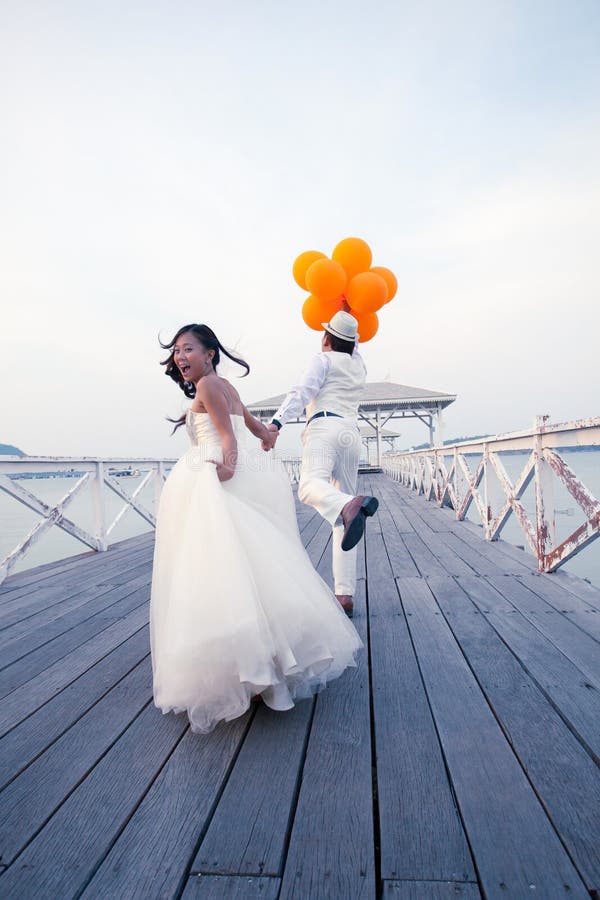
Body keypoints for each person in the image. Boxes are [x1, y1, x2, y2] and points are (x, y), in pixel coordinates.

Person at [149, 323, 362, 734]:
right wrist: (267, 435)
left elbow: (228, 436)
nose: (180, 357)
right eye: (176, 351)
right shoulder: (226, 386)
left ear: (210, 352)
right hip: (229, 471)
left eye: (187, 348)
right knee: (251, 565)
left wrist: (227, 464)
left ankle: (249, 665)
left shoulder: (209, 387)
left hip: (211, 475)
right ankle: (268, 663)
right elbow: (250, 425)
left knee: (218, 571)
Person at [265, 310, 378, 619]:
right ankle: (345, 595)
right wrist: (349, 317)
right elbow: (354, 346)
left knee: (309, 487)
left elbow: (302, 392)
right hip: (351, 435)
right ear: (352, 343)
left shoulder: (323, 359)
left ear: (326, 338)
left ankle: (349, 504)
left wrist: (276, 423)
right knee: (342, 519)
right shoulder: (358, 365)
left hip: (324, 427)